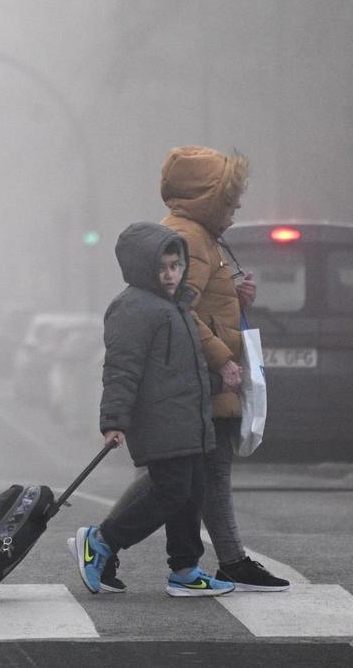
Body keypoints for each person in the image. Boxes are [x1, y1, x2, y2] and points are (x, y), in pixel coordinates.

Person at [101, 145, 290, 593]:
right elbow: (180, 312)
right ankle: (110, 544)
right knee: (195, 477)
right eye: (230, 196)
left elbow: (193, 304)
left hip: (196, 377)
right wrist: (222, 359)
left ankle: (211, 561)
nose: (237, 206)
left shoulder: (199, 236)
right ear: (208, 197)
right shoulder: (191, 239)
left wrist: (234, 298)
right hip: (198, 380)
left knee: (187, 478)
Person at [72, 222, 233, 597]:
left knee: (191, 493)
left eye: (175, 265)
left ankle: (185, 570)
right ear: (143, 268)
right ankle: (102, 541)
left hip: (187, 422)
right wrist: (113, 421)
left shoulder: (174, 307)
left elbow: (180, 371)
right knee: (171, 493)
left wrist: (218, 384)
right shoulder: (132, 308)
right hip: (160, 423)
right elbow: (121, 369)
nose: (171, 274)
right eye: (162, 267)